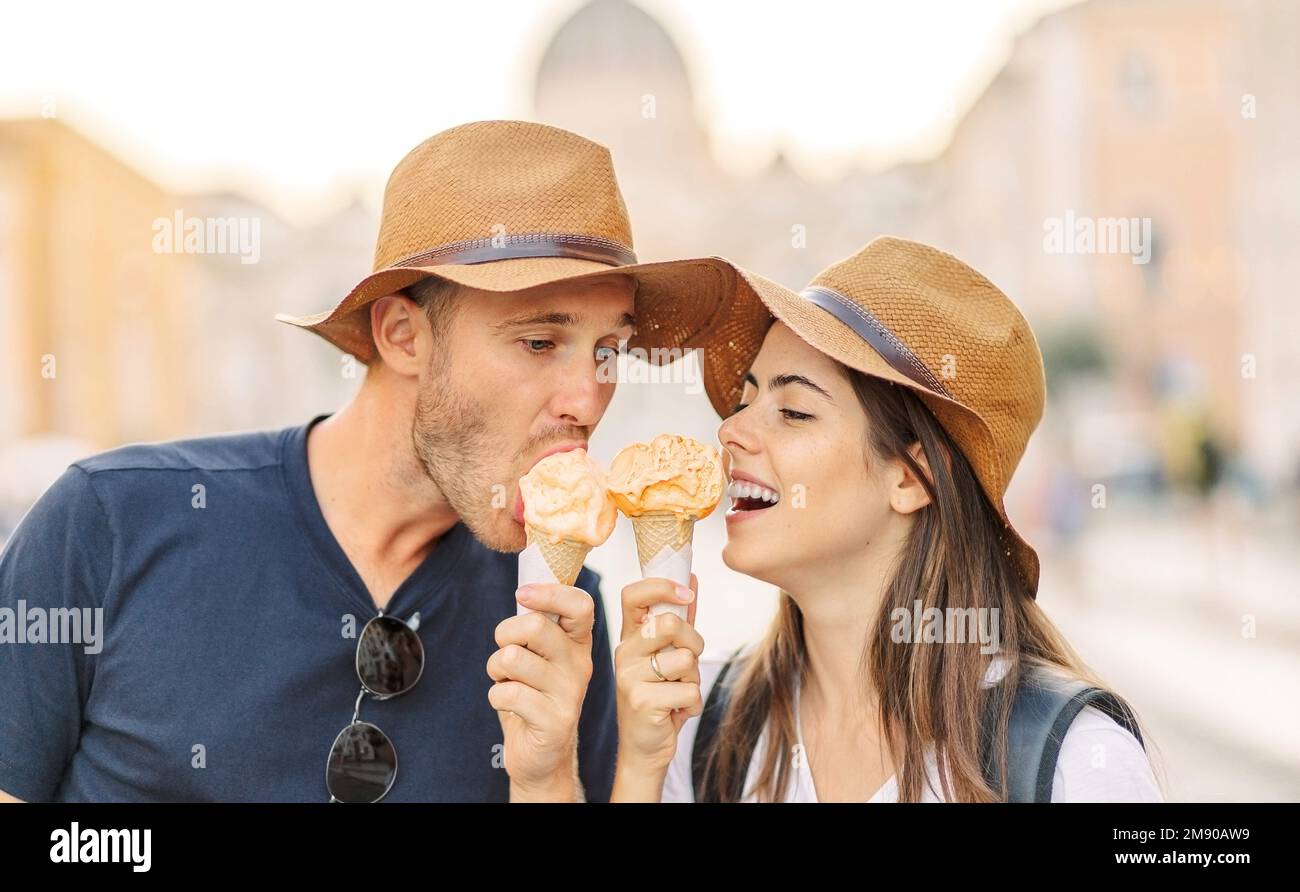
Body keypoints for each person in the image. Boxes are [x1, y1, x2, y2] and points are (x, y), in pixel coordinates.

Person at [0, 120, 734, 803]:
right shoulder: (109, 525)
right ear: (402, 336)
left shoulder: (565, 615)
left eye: (609, 350)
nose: (588, 398)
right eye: (540, 342)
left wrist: (549, 780)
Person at [610, 235, 1165, 802]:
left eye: (794, 411)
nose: (729, 431)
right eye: (744, 401)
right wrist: (636, 768)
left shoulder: (1073, 760)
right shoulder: (700, 721)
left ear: (911, 476)